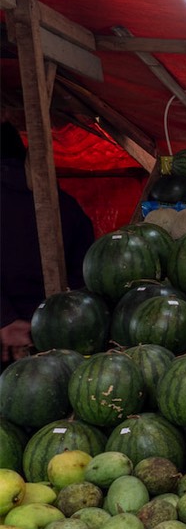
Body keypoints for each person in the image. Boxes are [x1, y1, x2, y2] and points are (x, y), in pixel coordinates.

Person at [1, 121, 95, 364]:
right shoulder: (66, 204)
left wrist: (6, 319)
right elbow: (87, 272)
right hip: (56, 336)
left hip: (8, 338)